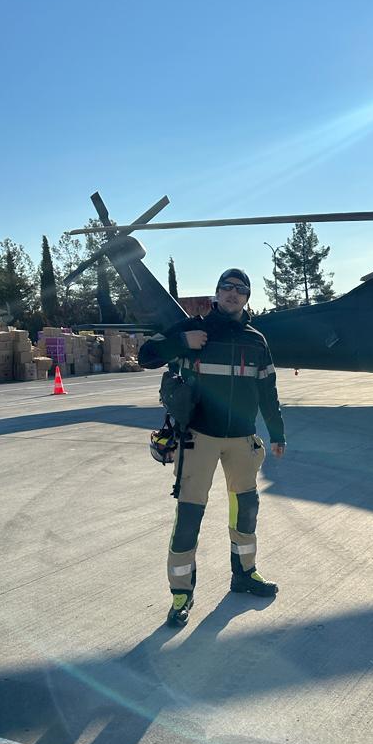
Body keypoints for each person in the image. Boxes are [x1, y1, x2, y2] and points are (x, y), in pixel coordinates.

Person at [138, 268, 286, 626]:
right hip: (198, 439)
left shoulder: (256, 341)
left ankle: (244, 574)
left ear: (247, 297)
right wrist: (181, 343)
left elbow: (268, 390)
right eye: (227, 287)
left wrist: (277, 432)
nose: (233, 293)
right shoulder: (192, 329)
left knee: (246, 511)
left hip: (241, 440)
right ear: (217, 292)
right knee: (189, 517)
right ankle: (181, 594)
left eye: (241, 289)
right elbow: (146, 356)